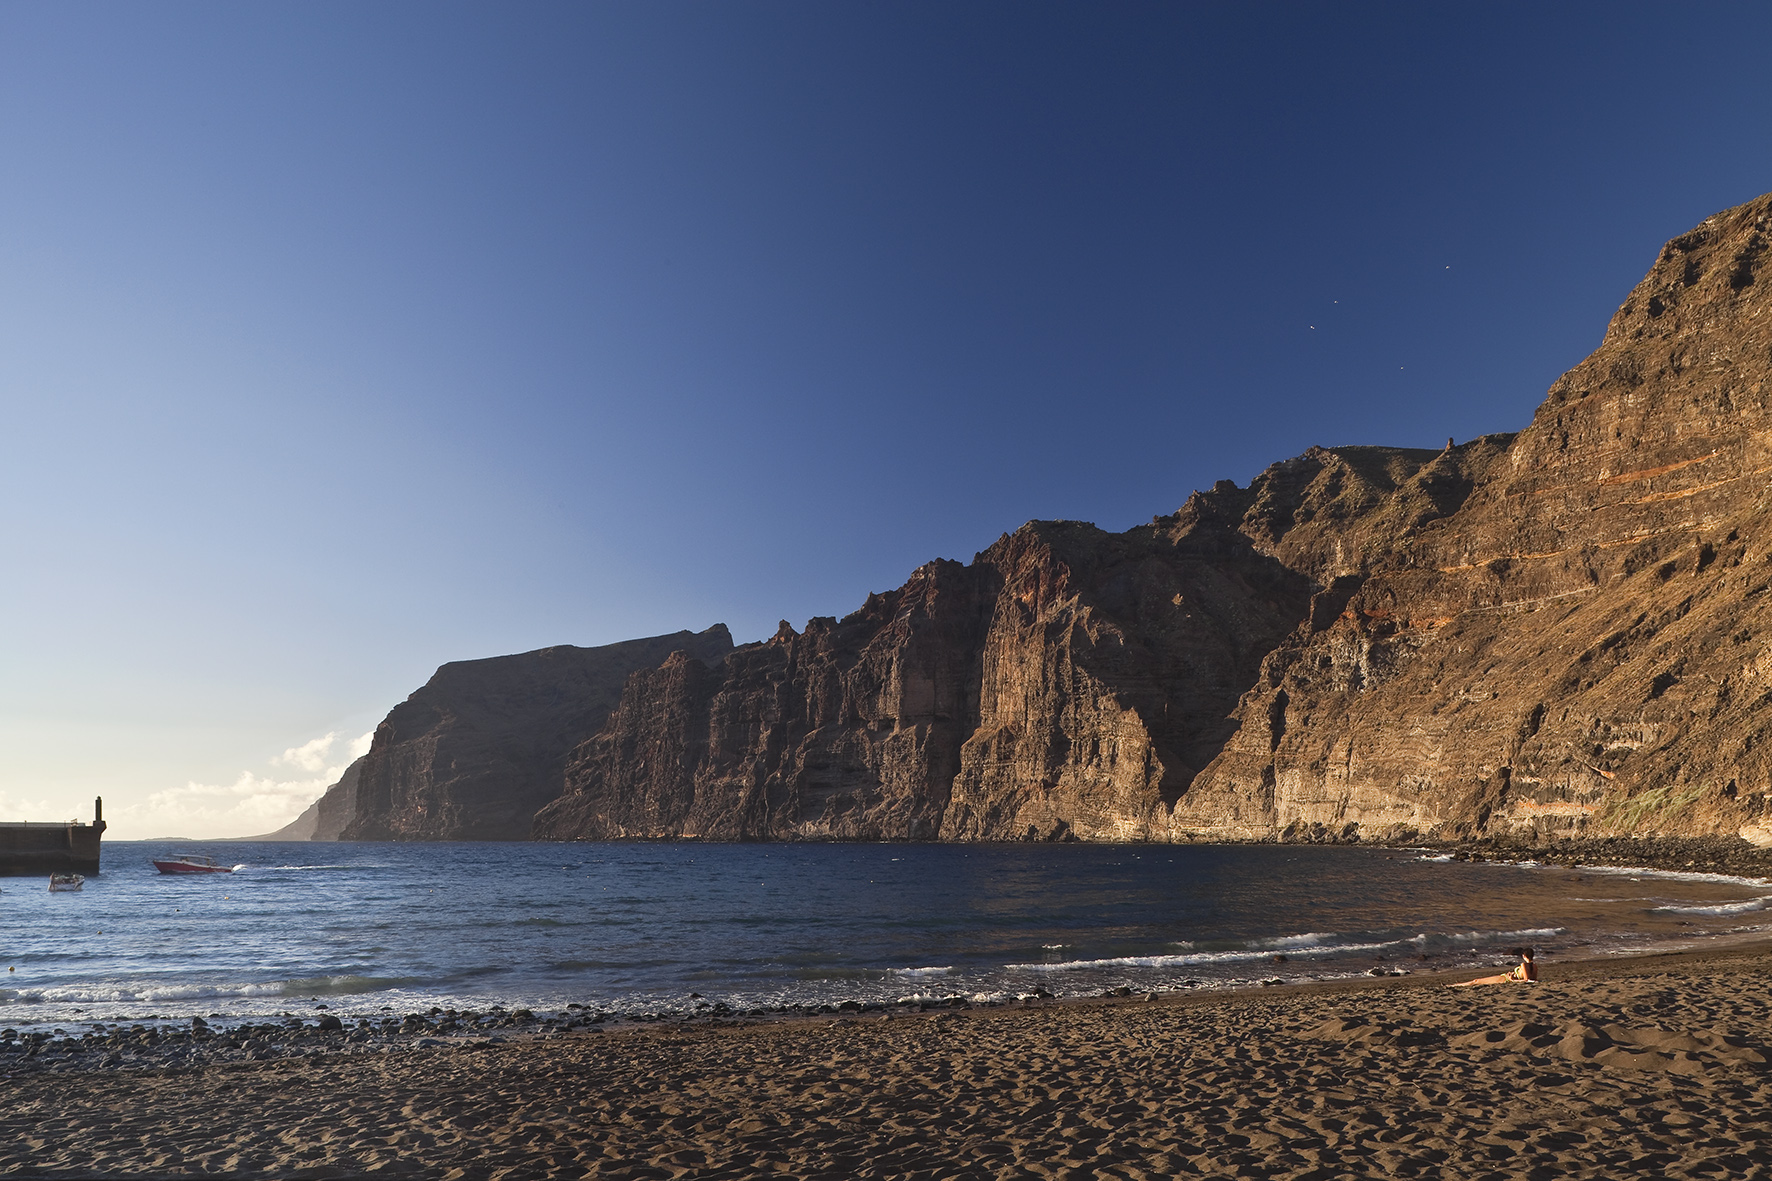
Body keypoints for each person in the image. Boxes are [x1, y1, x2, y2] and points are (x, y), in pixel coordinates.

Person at [1450, 947, 1536, 987]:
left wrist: (1512, 979)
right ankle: (1455, 985)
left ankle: (1453, 986)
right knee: (1476, 981)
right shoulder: (1534, 966)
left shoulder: (1524, 965)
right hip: (1506, 977)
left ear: (1524, 956)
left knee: (1476, 981)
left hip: (1505, 979)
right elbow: (1532, 979)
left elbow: (1526, 980)